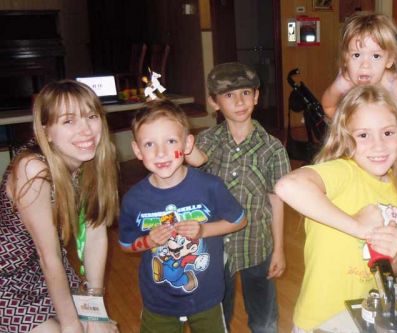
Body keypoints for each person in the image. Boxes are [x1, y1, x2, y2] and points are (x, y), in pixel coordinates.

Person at [275, 85, 397, 332]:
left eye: (388, 132)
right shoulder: (344, 171)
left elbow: (396, 267)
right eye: (363, 135)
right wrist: (358, 226)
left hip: (366, 316)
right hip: (322, 321)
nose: (378, 145)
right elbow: (289, 186)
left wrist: (396, 250)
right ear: (344, 137)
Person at [118, 99, 247, 333]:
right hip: (158, 303)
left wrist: (203, 230)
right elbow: (127, 245)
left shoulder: (210, 186)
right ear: (137, 150)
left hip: (207, 299)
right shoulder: (133, 199)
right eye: (149, 144)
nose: (161, 152)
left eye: (170, 141)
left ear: (187, 144)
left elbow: (239, 220)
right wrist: (149, 241)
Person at [0, 80, 119, 333]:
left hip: (49, 271)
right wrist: (70, 323)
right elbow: (48, 256)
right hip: (6, 280)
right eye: (68, 121)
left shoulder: (93, 161)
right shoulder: (33, 169)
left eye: (91, 116)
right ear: (46, 131)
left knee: (103, 330)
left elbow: (95, 235)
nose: (86, 130)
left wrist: (94, 314)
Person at [196, 62, 291, 332]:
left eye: (246, 93)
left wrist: (279, 249)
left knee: (264, 318)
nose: (239, 101)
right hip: (214, 248)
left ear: (257, 96)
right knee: (218, 315)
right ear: (214, 102)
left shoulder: (272, 149)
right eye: (228, 95)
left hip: (257, 245)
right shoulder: (205, 143)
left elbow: (276, 200)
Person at [321, 12, 397, 137]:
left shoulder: (395, 87)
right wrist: (349, 130)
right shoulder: (345, 81)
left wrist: (388, 136)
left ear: (389, 60)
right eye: (356, 55)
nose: (365, 65)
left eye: (376, 56)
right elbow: (328, 106)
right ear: (345, 59)